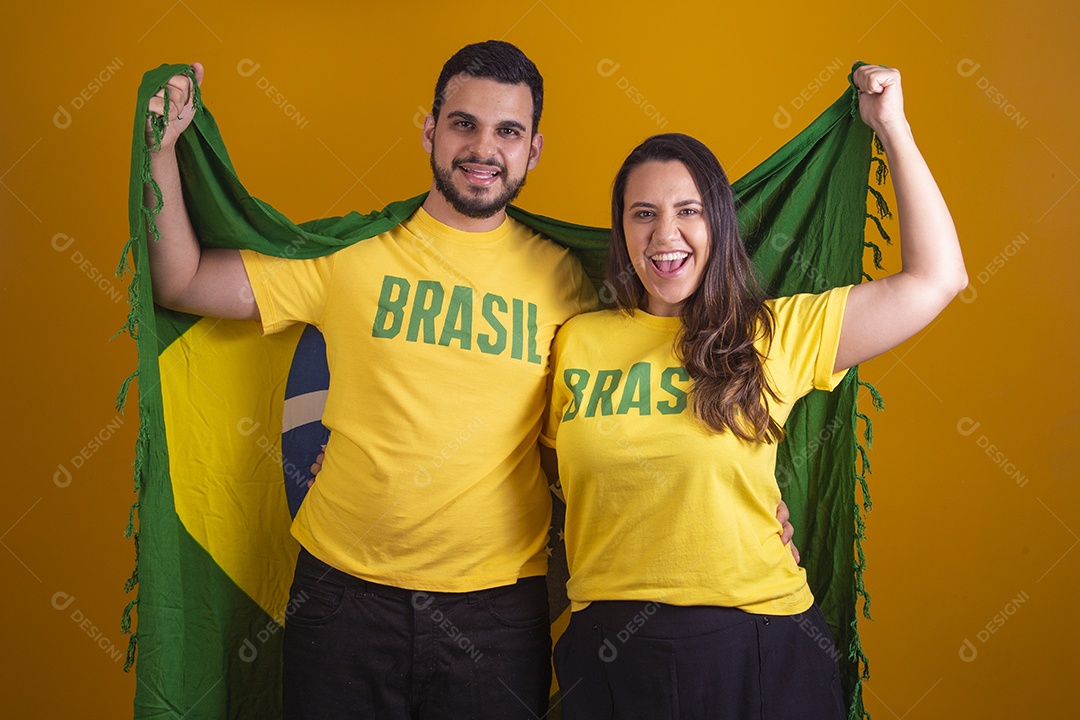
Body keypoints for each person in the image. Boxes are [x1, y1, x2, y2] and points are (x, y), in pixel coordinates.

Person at [145, 41, 798, 718]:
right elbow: (183, 278)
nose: (483, 147)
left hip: (498, 612)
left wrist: (747, 516)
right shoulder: (349, 256)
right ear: (430, 130)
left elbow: (654, 384)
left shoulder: (570, 282)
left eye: (507, 131)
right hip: (340, 597)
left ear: (532, 150)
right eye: (464, 124)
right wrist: (162, 146)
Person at [541, 65, 966, 719]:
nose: (664, 235)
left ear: (719, 223)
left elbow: (936, 278)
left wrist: (893, 128)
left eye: (688, 212)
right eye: (643, 214)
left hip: (758, 646)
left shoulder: (772, 332)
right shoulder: (575, 340)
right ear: (621, 230)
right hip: (611, 653)